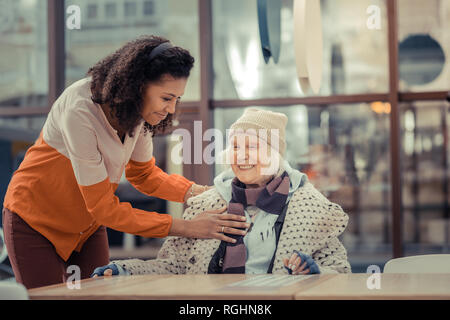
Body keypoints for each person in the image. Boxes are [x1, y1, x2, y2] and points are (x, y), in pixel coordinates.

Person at [2, 35, 248, 289]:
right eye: (166, 98)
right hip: (35, 221)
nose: (172, 109)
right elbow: (104, 208)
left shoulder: (138, 117)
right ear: (138, 86)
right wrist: (188, 227)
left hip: (85, 227)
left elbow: (144, 176)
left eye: (177, 99)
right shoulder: (80, 109)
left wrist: (200, 192)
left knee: (99, 294)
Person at [92, 108, 351, 277]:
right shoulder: (205, 205)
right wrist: (125, 271)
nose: (242, 155)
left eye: (252, 146)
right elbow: (172, 268)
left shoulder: (309, 207)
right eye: (236, 146)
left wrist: (315, 272)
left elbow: (340, 271)